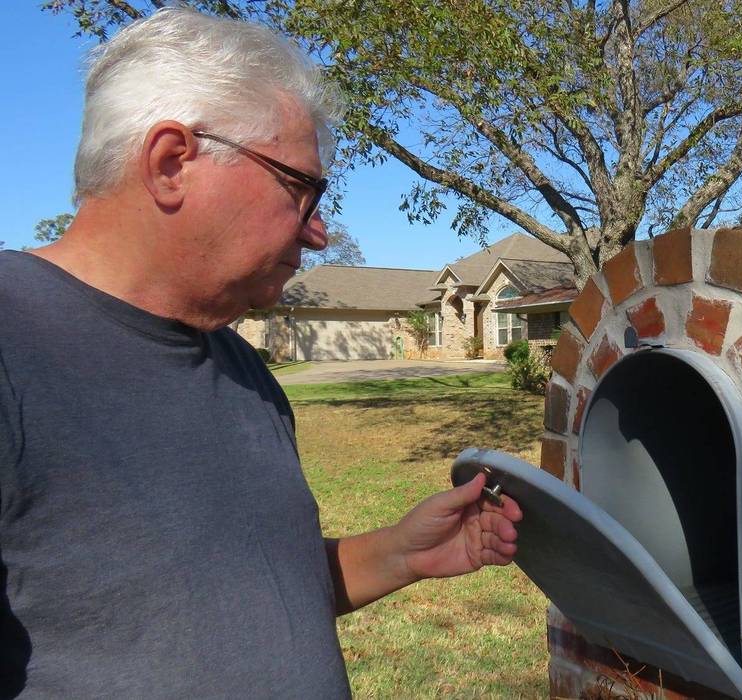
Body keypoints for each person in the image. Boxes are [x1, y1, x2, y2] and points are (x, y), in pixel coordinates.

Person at [0, 8, 521, 698]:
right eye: (301, 188)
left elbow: (246, 597)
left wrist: (399, 553)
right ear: (172, 163)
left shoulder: (239, 368)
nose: (318, 233)